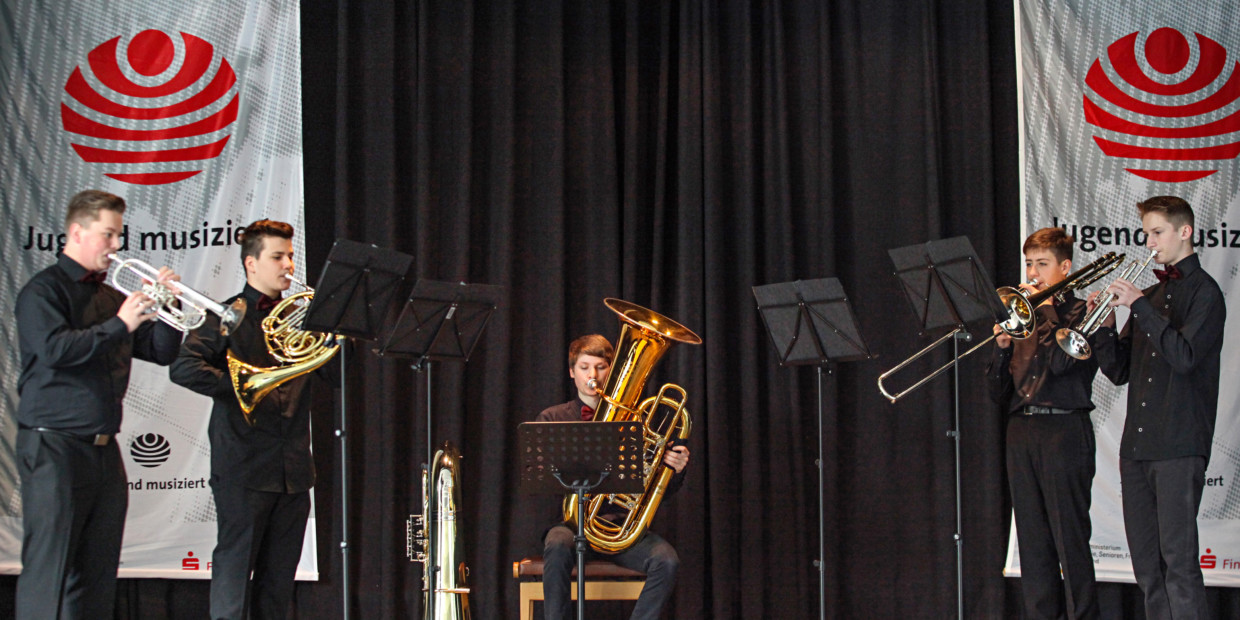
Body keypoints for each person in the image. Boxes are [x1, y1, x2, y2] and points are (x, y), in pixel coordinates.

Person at [14, 190, 182, 618]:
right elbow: (56, 351)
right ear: (76, 232)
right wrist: (120, 323)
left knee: (97, 572)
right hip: (55, 446)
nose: (115, 245)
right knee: (49, 572)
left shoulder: (110, 299)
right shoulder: (42, 292)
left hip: (104, 451)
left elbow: (161, 351)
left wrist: (168, 306)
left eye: (118, 235)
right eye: (108, 234)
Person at [170, 219, 321, 620]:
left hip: (293, 468)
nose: (288, 264)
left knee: (277, 585)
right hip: (244, 467)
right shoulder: (227, 314)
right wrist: (241, 385)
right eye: (277, 256)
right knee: (235, 578)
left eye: (290, 255)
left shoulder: (305, 318)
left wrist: (336, 328)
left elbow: (335, 374)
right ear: (251, 263)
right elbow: (184, 368)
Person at [1092, 196, 1226, 620]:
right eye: (1146, 232)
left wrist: (1140, 307)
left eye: (1157, 232)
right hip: (1138, 448)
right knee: (1148, 569)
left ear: (1184, 231)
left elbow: (1184, 357)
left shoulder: (1205, 292)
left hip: (1179, 445)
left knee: (1179, 566)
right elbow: (1118, 371)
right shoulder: (1150, 294)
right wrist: (1105, 326)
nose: (1148, 242)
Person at [986, 228, 1100, 619]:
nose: (1033, 272)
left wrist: (1047, 307)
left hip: (1064, 431)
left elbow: (1064, 364)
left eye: (1042, 264)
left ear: (1065, 267)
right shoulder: (1021, 318)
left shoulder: (1080, 310)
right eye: (1029, 263)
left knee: (1070, 542)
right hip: (1023, 431)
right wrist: (1002, 352)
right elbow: (998, 394)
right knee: (1033, 546)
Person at [535, 334, 689, 620]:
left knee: (666, 561)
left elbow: (654, 491)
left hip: (622, 529)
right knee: (556, 545)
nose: (593, 375)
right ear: (571, 372)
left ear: (612, 371)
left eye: (601, 367)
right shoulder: (552, 418)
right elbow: (542, 481)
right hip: (570, 525)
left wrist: (673, 469)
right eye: (584, 367)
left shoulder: (636, 421)